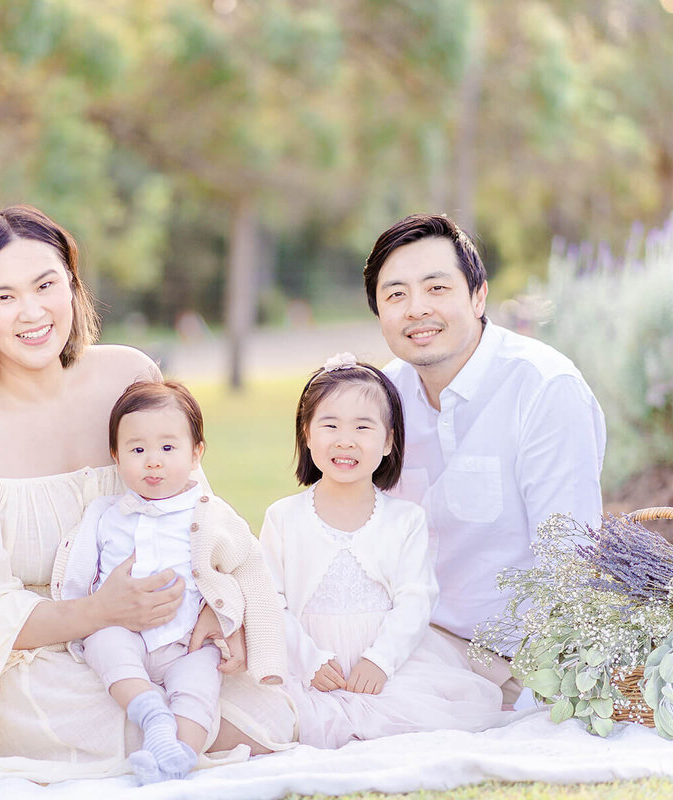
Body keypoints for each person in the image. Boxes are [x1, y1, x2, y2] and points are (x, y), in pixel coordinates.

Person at [0, 205, 296, 766]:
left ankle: (172, 727)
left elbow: (199, 515)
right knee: (93, 715)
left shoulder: (128, 378)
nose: (33, 311)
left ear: (72, 286)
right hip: (41, 656)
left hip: (169, 626)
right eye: (4, 296)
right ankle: (158, 736)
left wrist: (222, 610)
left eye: (47, 285)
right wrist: (99, 612)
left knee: (263, 709)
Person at [362, 214, 607, 703]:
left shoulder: (542, 389)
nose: (416, 309)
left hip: (509, 658)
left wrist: (554, 683)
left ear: (478, 296)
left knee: (355, 714)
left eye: (436, 288)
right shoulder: (381, 396)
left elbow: (570, 562)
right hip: (401, 637)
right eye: (395, 295)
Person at [259, 354, 510, 748]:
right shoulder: (283, 518)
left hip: (390, 667)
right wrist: (308, 660)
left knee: (416, 725)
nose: (346, 440)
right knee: (269, 719)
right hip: (306, 665)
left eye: (363, 426)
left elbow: (416, 598)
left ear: (389, 440)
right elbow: (269, 603)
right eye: (330, 425)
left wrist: (381, 660)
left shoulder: (404, 520)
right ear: (307, 434)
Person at [58, 380, 284, 782]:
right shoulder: (106, 514)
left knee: (200, 687)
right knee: (106, 646)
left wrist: (257, 646)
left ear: (196, 453)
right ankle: (151, 713)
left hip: (188, 641)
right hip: (123, 630)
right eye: (137, 449)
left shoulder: (211, 515)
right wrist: (75, 621)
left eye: (168, 448)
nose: (153, 462)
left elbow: (251, 570)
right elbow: (77, 572)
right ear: (116, 455)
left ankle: (178, 754)